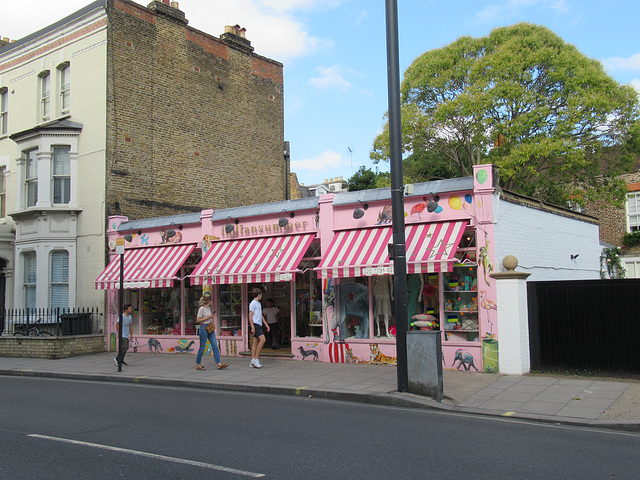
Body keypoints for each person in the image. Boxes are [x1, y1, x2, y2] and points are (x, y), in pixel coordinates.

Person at [195, 291, 228, 371]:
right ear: (209, 301)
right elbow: (198, 320)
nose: (212, 301)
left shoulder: (209, 308)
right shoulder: (201, 309)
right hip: (203, 328)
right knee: (202, 347)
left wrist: (211, 320)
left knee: (215, 345)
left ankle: (219, 363)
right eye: (211, 300)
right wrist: (209, 316)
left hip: (210, 327)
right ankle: (198, 363)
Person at [249, 288, 269, 368]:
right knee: (263, 340)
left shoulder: (258, 303)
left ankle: (252, 359)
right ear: (258, 295)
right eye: (261, 295)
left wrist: (266, 324)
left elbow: (261, 315)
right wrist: (252, 327)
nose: (261, 296)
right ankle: (256, 358)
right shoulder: (253, 303)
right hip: (256, 324)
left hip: (259, 323)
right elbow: (250, 315)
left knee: (255, 342)